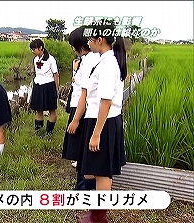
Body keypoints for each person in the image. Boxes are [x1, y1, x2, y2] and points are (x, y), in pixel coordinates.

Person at [76, 21, 127, 223]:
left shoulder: (108, 64)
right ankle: (95, 212)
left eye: (90, 39)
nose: (88, 42)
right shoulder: (104, 60)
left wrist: (97, 133)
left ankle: (99, 218)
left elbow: (105, 100)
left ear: (100, 40)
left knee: (102, 173)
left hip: (103, 123)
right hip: (99, 120)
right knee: (95, 171)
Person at [62, 26, 101, 192]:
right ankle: (81, 187)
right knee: (80, 150)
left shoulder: (90, 60)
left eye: (73, 44)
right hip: (80, 107)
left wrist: (76, 119)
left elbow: (85, 94)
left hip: (83, 110)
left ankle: (83, 189)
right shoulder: (86, 59)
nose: (72, 48)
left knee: (82, 151)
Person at [29, 39, 59, 137]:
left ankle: (49, 131)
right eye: (32, 49)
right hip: (38, 85)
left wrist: (56, 89)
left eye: (34, 49)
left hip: (49, 85)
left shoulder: (50, 59)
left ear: (41, 48)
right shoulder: (35, 59)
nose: (32, 51)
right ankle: (38, 129)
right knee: (38, 109)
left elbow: (56, 74)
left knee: (52, 109)